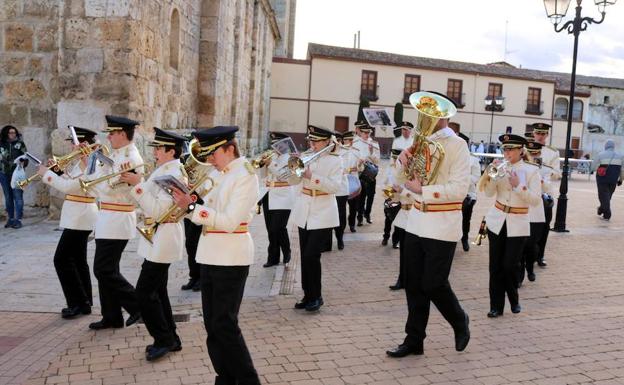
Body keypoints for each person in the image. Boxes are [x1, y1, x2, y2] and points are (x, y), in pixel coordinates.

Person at [171, 126, 261, 385]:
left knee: (226, 325)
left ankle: (247, 380)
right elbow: (205, 212)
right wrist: (187, 201)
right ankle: (226, 376)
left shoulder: (244, 175)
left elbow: (230, 221)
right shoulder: (220, 173)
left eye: (213, 153)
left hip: (231, 256)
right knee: (212, 326)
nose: (209, 159)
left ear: (229, 148)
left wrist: (192, 207)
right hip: (210, 255)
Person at [386, 96, 470, 358]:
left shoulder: (458, 146)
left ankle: (459, 320)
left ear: (444, 117)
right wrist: (402, 161)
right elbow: (403, 180)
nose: (425, 120)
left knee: (434, 283)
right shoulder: (418, 143)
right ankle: (414, 340)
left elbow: (459, 190)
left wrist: (425, 190)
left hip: (442, 224)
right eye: (423, 114)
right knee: (413, 285)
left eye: (430, 115)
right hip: (416, 222)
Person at [124, 128, 187, 361]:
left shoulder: (174, 174)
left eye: (159, 149)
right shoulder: (164, 169)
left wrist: (137, 185)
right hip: (157, 237)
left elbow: (161, 210)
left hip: (165, 235)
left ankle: (163, 339)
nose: (155, 153)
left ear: (171, 151)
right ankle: (171, 337)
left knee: (144, 293)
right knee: (158, 292)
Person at [86, 115, 143, 330]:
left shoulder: (131, 158)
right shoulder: (117, 154)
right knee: (108, 269)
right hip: (108, 218)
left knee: (103, 270)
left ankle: (137, 306)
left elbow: (113, 189)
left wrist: (92, 182)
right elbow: (103, 181)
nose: (108, 136)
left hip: (117, 218)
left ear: (122, 134)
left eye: (112, 132)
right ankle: (111, 316)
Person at [38, 126, 99, 319]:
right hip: (78, 215)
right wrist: (55, 169)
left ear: (83, 144)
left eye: (74, 143)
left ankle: (76, 303)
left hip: (81, 216)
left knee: (61, 260)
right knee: (78, 261)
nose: (72, 148)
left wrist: (46, 175)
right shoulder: (80, 161)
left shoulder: (90, 163)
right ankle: (85, 302)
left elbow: (69, 187)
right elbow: (69, 178)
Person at [479, 134, 541, 318]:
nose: (507, 153)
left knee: (509, 265)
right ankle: (496, 306)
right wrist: (491, 175)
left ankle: (514, 299)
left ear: (521, 150)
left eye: (511, 149)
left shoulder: (531, 171)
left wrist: (519, 185)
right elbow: (489, 194)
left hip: (518, 222)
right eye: (505, 149)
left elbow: (536, 200)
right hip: (497, 220)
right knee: (495, 267)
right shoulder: (500, 168)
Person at [291, 125, 342, 312]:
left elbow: (335, 187)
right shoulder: (306, 156)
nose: (312, 144)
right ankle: (307, 294)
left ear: (327, 142)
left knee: (312, 255)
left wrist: (312, 176)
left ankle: (317, 296)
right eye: (311, 141)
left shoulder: (336, 161)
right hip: (304, 210)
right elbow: (294, 181)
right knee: (305, 256)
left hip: (323, 211)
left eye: (316, 141)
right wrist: (294, 168)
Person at [261, 132, 296, 265]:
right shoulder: (273, 157)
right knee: (270, 230)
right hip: (268, 195)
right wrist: (263, 165)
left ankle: (287, 252)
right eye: (274, 144)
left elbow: (285, 176)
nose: (275, 148)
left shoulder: (291, 159)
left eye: (278, 144)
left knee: (279, 228)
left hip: (284, 197)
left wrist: (271, 164)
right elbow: (264, 176)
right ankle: (273, 258)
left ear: (284, 144)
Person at [531, 123, 561, 267]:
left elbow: (557, 174)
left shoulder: (552, 152)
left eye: (543, 134)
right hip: (528, 191)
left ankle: (540, 255)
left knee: (544, 226)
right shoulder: (525, 149)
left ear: (547, 135)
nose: (540, 136)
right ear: (534, 134)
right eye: (538, 133)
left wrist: (546, 173)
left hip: (545, 192)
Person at [518, 140, 547, 285]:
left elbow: (549, 188)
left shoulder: (540, 169)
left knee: (531, 245)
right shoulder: (518, 168)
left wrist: (541, 181)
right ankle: (520, 272)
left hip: (536, 213)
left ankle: (530, 267)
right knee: (521, 245)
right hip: (521, 211)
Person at [353, 121, 380, 226]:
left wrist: (372, 152)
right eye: (364, 132)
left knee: (371, 195)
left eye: (368, 133)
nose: (366, 135)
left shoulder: (374, 144)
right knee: (361, 196)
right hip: (361, 173)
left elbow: (378, 161)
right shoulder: (356, 143)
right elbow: (354, 157)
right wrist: (360, 161)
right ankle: (359, 217)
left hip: (371, 173)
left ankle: (367, 214)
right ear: (361, 132)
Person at [0, 125, 27, 228]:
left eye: (14, 133)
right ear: (6, 133)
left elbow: (26, 156)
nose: (13, 135)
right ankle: (10, 219)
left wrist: (22, 161)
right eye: (11, 133)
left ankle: (18, 220)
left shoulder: (20, 144)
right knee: (8, 197)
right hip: (3, 173)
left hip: (17, 174)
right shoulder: (1, 144)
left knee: (18, 196)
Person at [592, 139, 623, 220]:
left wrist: (598, 169)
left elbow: (593, 167)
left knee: (603, 196)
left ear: (605, 146)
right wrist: (621, 180)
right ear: (613, 146)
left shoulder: (600, 154)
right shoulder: (620, 156)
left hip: (602, 178)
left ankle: (607, 214)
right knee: (608, 196)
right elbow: (622, 170)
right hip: (614, 179)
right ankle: (601, 209)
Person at [327, 131, 348, 251]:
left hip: (341, 189)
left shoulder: (346, 152)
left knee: (340, 216)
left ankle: (340, 238)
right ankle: (327, 242)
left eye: (339, 141)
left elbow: (346, 169)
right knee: (328, 215)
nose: (337, 143)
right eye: (335, 141)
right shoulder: (325, 154)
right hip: (328, 190)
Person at [382, 150, 402, 247]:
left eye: (396, 158)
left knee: (398, 220)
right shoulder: (389, 168)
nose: (394, 161)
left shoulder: (404, 169)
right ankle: (385, 237)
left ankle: (395, 241)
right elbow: (384, 182)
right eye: (393, 158)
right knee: (388, 219)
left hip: (399, 197)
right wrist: (388, 191)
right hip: (389, 197)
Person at [343, 131, 361, 233]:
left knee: (353, 206)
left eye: (349, 140)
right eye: (346, 140)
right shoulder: (340, 152)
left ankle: (352, 224)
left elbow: (361, 168)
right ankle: (342, 225)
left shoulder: (356, 151)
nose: (348, 142)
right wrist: (349, 170)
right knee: (342, 206)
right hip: (344, 181)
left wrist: (359, 166)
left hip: (354, 181)